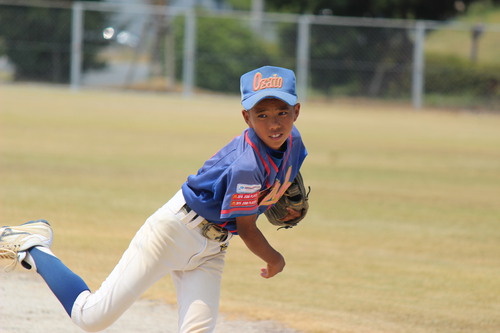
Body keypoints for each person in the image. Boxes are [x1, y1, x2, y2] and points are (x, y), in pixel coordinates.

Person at [0, 65, 307, 333]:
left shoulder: (293, 142)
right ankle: (33, 246)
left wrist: (277, 196)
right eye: (262, 115)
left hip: (213, 248)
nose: (274, 124)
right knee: (90, 317)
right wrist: (274, 258)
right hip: (172, 234)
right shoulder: (246, 166)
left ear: (296, 111)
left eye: (282, 112)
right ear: (246, 117)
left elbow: (284, 174)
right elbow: (248, 229)